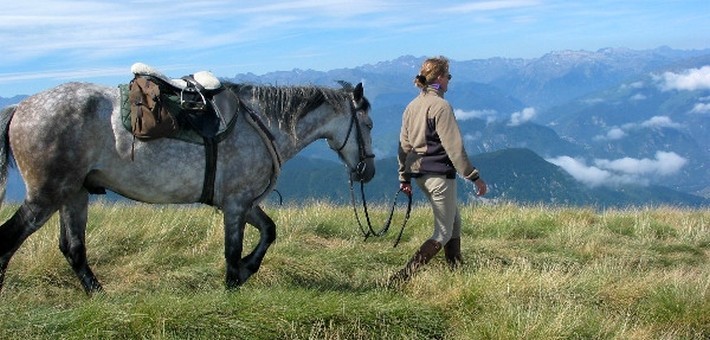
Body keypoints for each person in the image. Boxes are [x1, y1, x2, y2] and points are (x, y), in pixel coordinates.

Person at [390, 56, 487, 285]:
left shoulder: (411, 106)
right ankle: (403, 277)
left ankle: (456, 271)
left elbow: (404, 146)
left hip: (420, 175)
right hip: (439, 175)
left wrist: (403, 177)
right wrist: (474, 177)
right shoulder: (441, 107)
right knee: (442, 233)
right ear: (440, 78)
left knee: (454, 222)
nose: (449, 82)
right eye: (449, 77)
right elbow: (454, 148)